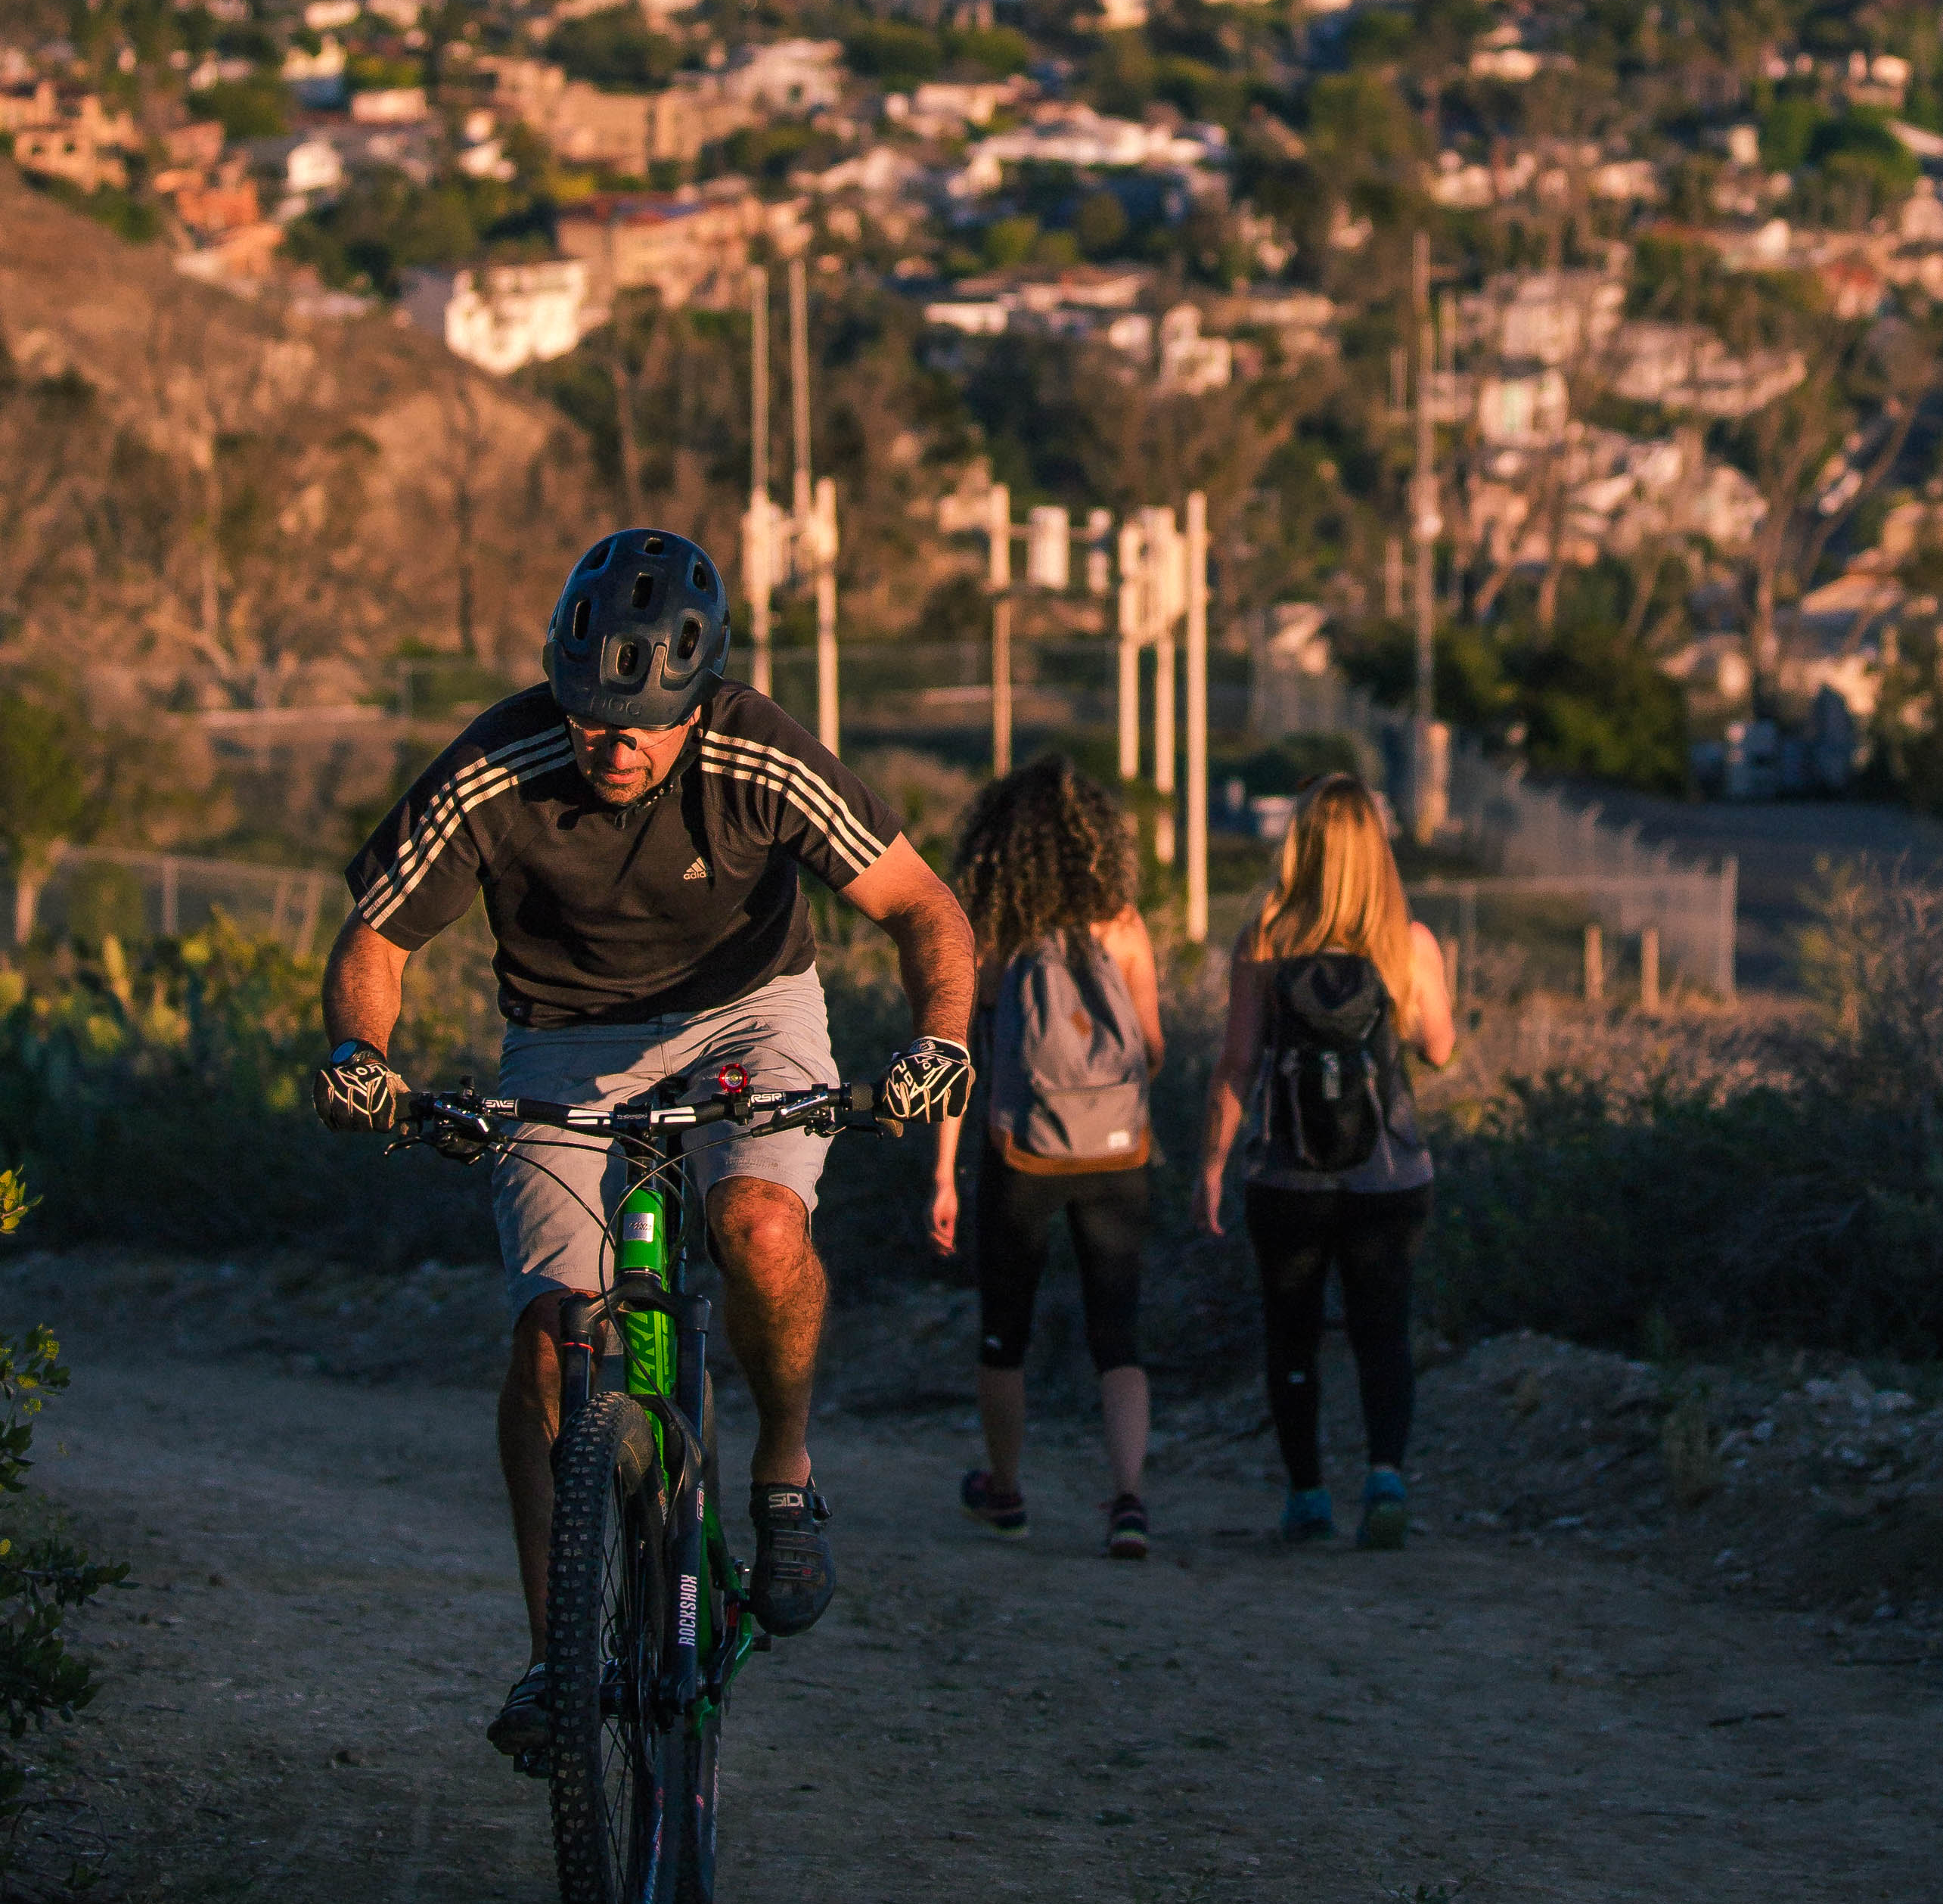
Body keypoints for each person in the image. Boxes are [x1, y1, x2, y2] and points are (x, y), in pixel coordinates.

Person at [312, 528, 974, 1760]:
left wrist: (940, 1042)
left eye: (644, 723)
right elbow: (376, 943)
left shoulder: (759, 752)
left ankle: (781, 1472)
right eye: (590, 717)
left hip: (747, 1013)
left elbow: (923, 906)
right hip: (566, 1040)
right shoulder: (495, 765)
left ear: (698, 697)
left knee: (759, 1227)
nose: (613, 746)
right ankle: (556, 1659)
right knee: (551, 1338)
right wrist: (361, 1056)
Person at [1193, 773, 1454, 1548]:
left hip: (1286, 1175)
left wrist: (1210, 1163)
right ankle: (1384, 1477)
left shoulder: (1265, 940)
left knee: (1291, 1333)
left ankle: (1307, 1496)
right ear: (1377, 849)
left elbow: (1236, 1065)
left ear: (1299, 846)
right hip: (1388, 1173)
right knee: (1383, 1330)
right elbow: (1438, 1046)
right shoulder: (1406, 942)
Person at [927, 756, 1164, 1560]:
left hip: (1020, 1154)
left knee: (1006, 1331)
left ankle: (1005, 1491)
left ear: (1000, 843)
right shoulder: (1124, 924)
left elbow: (958, 1060)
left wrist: (941, 1177)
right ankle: (1128, 1501)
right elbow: (1154, 1048)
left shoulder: (994, 931)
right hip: (1118, 1151)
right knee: (1117, 1332)